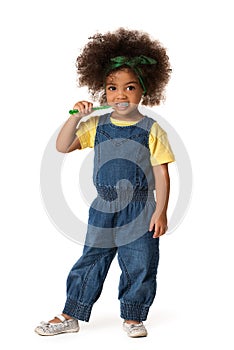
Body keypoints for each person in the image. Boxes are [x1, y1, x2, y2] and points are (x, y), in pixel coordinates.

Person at [35, 27, 175, 338]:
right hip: (105, 205)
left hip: (141, 207)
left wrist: (161, 211)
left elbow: (163, 174)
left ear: (145, 90)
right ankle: (71, 313)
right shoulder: (96, 125)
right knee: (92, 257)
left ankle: (134, 316)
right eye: (112, 88)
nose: (120, 95)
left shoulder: (152, 129)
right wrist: (75, 117)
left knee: (140, 259)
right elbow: (62, 146)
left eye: (130, 87)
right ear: (103, 92)